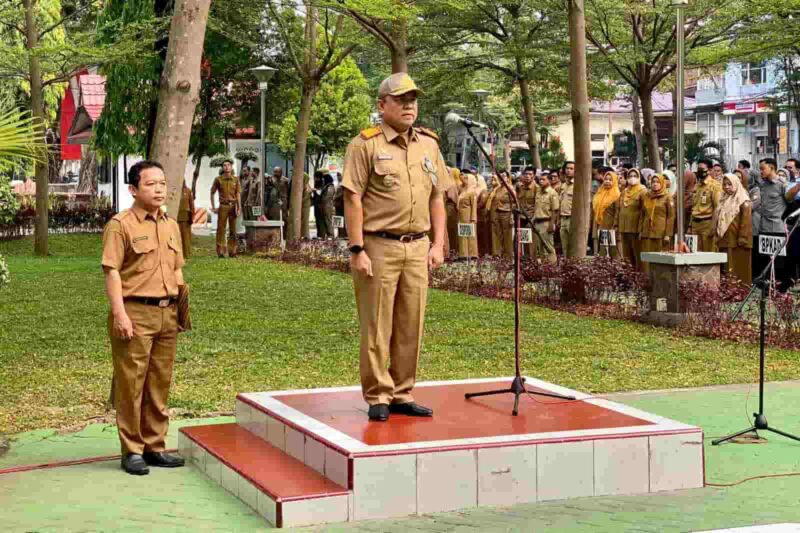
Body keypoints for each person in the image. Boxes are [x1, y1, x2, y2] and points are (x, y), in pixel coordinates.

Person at [341, 72, 451, 422]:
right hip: (378, 246)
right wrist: (357, 249)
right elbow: (352, 197)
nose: (409, 106)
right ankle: (378, 395)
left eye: (413, 100)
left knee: (411, 323)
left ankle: (403, 392)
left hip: (418, 247)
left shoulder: (429, 144)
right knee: (377, 325)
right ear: (382, 105)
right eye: (401, 99)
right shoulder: (365, 144)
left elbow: (437, 196)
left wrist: (438, 244)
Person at [101, 160, 186, 475]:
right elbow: (111, 271)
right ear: (133, 190)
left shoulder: (170, 224)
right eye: (150, 184)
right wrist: (120, 314)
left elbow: (178, 267)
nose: (159, 189)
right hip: (135, 312)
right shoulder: (120, 225)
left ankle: (155, 446)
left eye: (162, 183)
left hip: (166, 313)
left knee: (159, 383)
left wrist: (180, 306)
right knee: (131, 383)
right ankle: (132, 450)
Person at [756, 158, 790, 289]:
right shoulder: (762, 184)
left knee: (779, 261)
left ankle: (780, 287)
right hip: (763, 226)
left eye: (763, 168)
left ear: (772, 168)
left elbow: (790, 202)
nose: (761, 172)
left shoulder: (783, 184)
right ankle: (766, 286)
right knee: (764, 259)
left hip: (777, 227)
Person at [716, 173, 752, 285]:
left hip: (738, 240)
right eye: (724, 184)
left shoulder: (743, 201)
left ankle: (739, 290)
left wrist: (742, 237)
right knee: (727, 265)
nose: (726, 187)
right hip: (726, 238)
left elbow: (746, 222)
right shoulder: (724, 199)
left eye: (729, 184)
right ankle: (728, 289)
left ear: (736, 184)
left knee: (738, 264)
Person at [640, 174, 675, 272]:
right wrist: (641, 230)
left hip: (660, 232)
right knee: (646, 259)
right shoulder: (646, 196)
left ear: (662, 183)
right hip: (646, 232)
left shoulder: (667, 197)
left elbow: (671, 217)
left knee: (659, 258)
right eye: (653, 182)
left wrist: (668, 234)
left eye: (658, 182)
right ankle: (646, 281)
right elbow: (642, 214)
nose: (655, 184)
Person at [210, 159, 241, 258]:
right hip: (223, 206)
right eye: (224, 165)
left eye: (228, 165)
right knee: (221, 229)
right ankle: (221, 251)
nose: (226, 167)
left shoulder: (236, 180)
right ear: (222, 168)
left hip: (233, 206)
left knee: (233, 229)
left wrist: (239, 207)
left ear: (231, 167)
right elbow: (212, 192)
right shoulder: (218, 179)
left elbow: (238, 194)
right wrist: (214, 207)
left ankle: (232, 251)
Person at [689, 159, 721, 252]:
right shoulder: (697, 185)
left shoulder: (715, 186)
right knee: (695, 253)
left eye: (702, 169)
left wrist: (713, 226)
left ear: (710, 170)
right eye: (698, 169)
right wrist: (690, 225)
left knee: (709, 253)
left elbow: (717, 207)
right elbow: (694, 207)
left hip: (707, 223)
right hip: (695, 224)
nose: (699, 171)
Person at [618, 168, 646, 270]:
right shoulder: (624, 191)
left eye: (635, 176)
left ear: (639, 178)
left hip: (636, 228)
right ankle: (628, 277)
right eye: (630, 176)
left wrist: (641, 229)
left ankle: (639, 277)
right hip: (624, 227)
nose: (632, 178)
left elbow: (644, 212)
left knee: (637, 254)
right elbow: (619, 208)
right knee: (626, 255)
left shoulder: (643, 191)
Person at [531, 172, 559, 264]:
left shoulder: (552, 193)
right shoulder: (538, 192)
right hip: (537, 222)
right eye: (540, 179)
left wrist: (552, 224)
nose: (541, 181)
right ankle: (544, 268)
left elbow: (555, 210)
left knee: (548, 247)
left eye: (544, 179)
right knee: (540, 248)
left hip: (546, 222)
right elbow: (537, 208)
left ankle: (552, 267)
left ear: (549, 181)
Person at [592, 171, 620, 258]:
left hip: (611, 227)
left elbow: (617, 212)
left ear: (614, 181)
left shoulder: (617, 194)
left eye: (610, 180)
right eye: (606, 179)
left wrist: (615, 226)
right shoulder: (600, 192)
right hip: (600, 225)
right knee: (603, 250)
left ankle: (614, 270)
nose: (607, 181)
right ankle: (603, 270)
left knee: (612, 251)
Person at [487, 170, 514, 258]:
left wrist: (511, 217)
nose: (502, 178)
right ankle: (497, 254)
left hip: (506, 213)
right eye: (500, 176)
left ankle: (508, 256)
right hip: (496, 213)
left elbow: (514, 203)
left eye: (504, 176)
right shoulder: (497, 189)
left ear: (507, 177)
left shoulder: (510, 188)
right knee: (497, 234)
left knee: (507, 236)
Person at [457, 171, 478, 259]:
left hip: (468, 215)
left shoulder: (472, 192)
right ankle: (463, 253)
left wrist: (473, 218)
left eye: (466, 178)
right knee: (462, 234)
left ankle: (472, 253)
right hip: (461, 215)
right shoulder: (462, 190)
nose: (464, 179)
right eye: (464, 178)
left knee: (470, 234)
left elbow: (474, 206)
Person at [516, 167, 537, 257]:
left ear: (534, 176)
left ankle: (531, 260)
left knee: (531, 243)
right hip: (521, 218)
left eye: (530, 174)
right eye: (526, 174)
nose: (528, 176)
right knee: (521, 241)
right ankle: (523, 259)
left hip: (531, 218)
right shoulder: (520, 187)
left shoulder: (537, 188)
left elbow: (538, 205)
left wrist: (533, 219)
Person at [559, 161, 575, 257]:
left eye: (571, 169)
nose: (568, 170)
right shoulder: (564, 185)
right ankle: (567, 268)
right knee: (564, 247)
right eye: (567, 168)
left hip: (572, 219)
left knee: (574, 246)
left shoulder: (578, 185)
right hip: (563, 219)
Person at [444, 169, 460, 258]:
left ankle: (452, 250)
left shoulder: (451, 183)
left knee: (451, 230)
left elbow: (454, 198)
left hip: (450, 208)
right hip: (445, 207)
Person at [177, 181, 195, 260]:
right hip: (175, 217)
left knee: (186, 237)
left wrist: (192, 216)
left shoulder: (188, 191)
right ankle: (177, 255)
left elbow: (191, 205)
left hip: (186, 217)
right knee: (176, 236)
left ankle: (186, 254)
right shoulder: (173, 191)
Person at [319, 173, 336, 239]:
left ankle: (331, 234)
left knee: (328, 220)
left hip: (328, 205)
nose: (323, 180)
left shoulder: (330, 187)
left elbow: (328, 196)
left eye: (324, 179)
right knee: (326, 219)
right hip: (325, 205)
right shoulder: (326, 186)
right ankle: (328, 234)